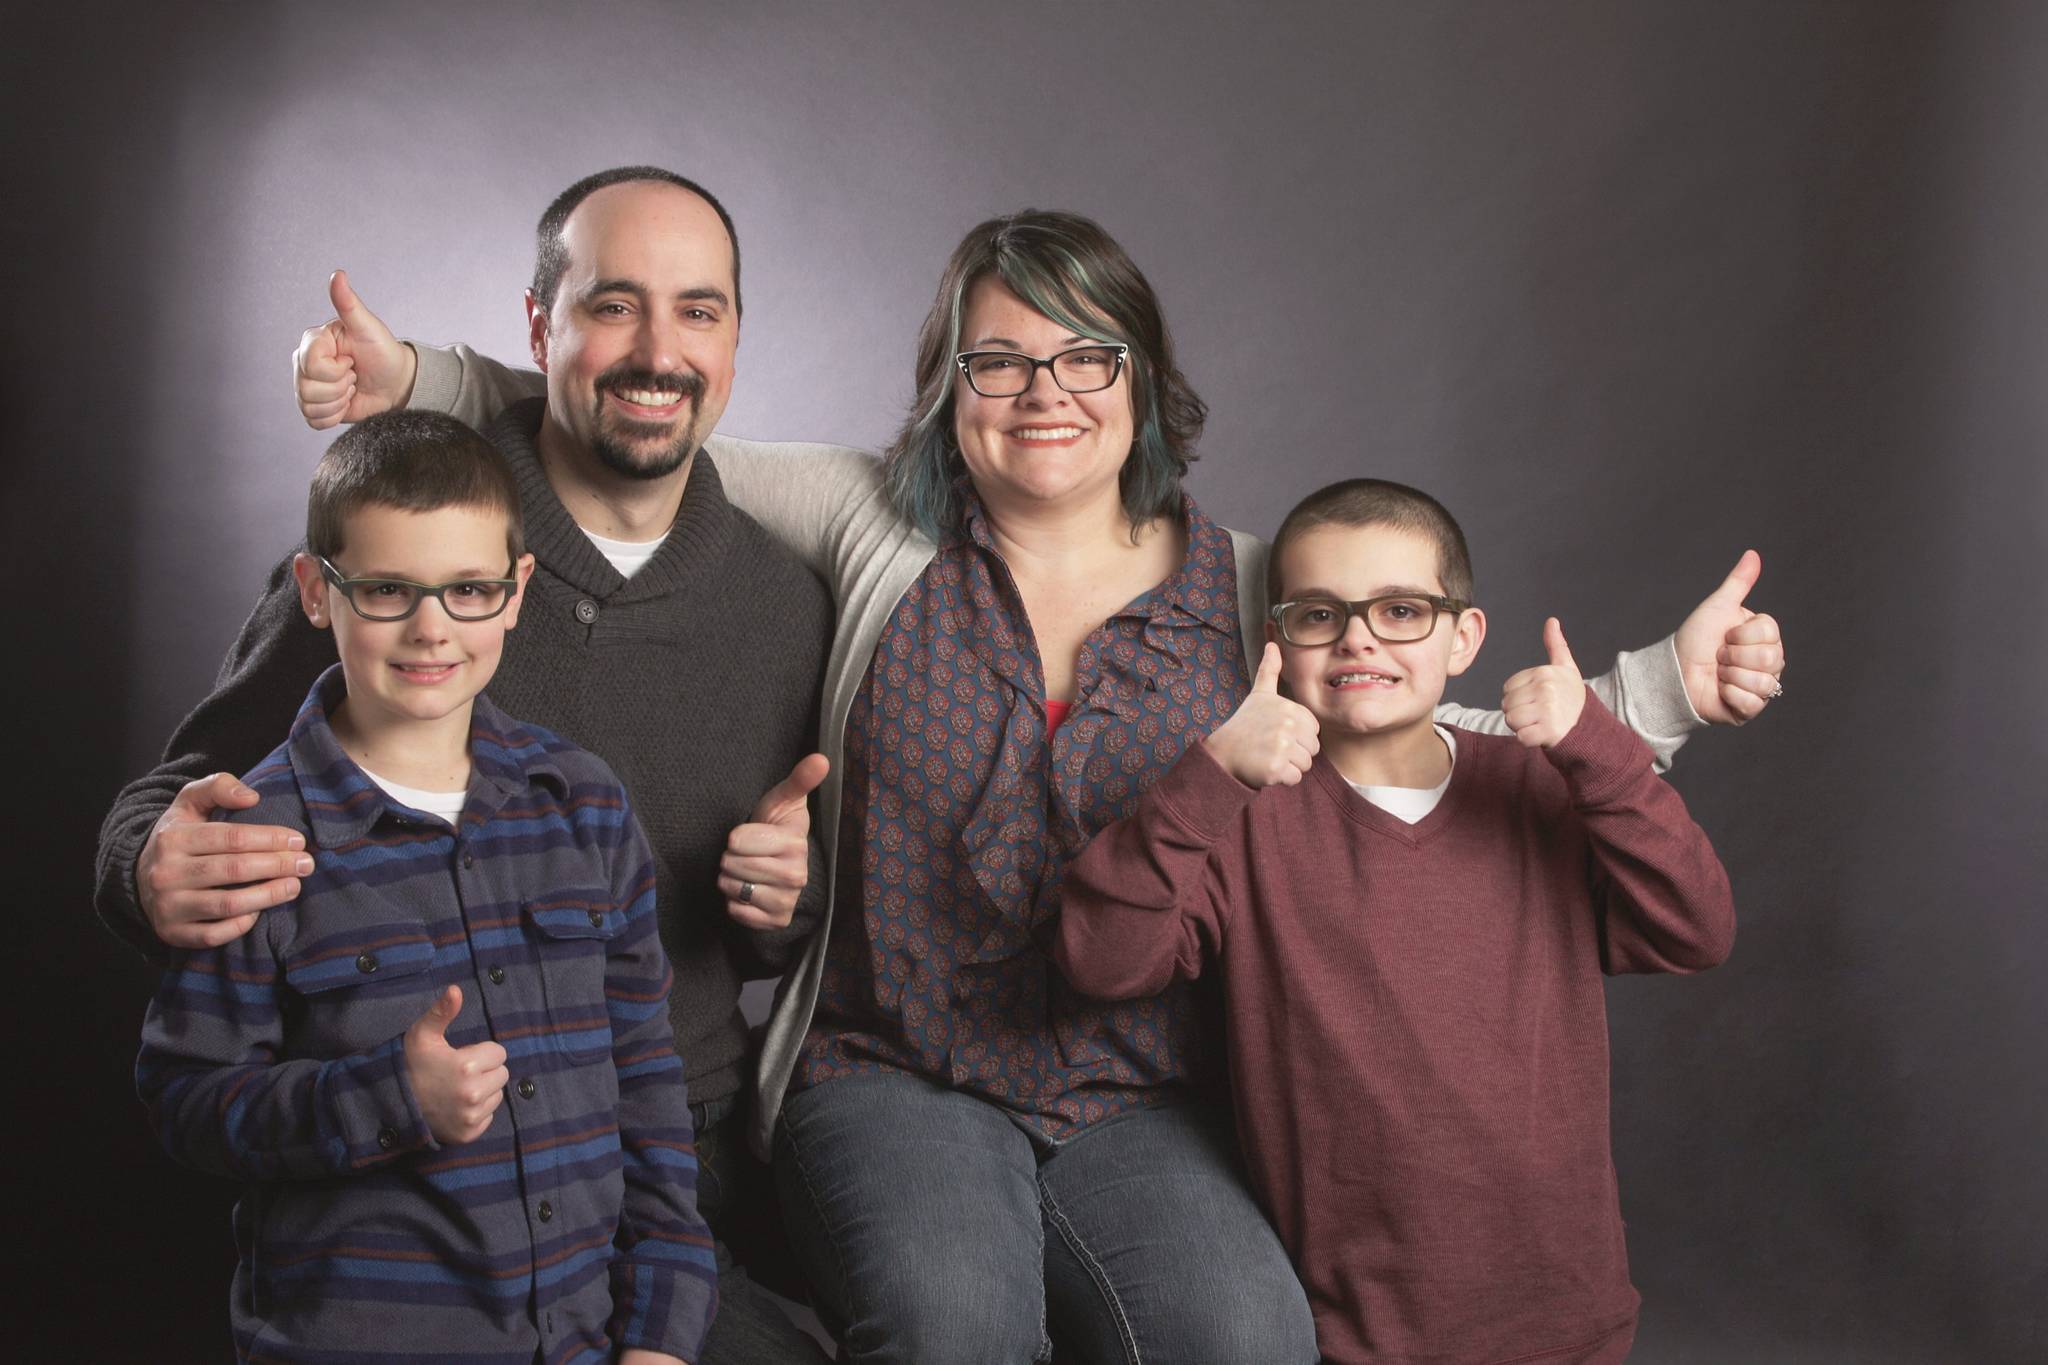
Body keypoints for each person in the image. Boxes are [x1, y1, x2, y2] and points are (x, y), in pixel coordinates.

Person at [308, 208, 1785, 1365]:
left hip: (1152, 1091)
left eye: (1088, 356)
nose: (1045, 393)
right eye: (999, 360)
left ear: (1143, 378)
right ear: (950, 389)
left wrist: (1656, 690)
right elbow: (650, 408)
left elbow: (1418, 702)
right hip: (890, 1073)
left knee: (1241, 1338)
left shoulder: (1253, 578)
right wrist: (428, 380)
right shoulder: (875, 523)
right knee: (956, 1332)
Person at [99, 168, 836, 1363]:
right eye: (612, 305)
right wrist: (146, 866)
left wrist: (779, 915)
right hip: (404, 1181)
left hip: (675, 1140)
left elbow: (757, 947)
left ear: (737, 336)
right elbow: (182, 797)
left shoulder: (785, 601)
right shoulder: (412, 532)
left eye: (697, 309)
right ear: (538, 325)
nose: (658, 349)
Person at [1057, 477, 1736, 1363]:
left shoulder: (1538, 785)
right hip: (1357, 1327)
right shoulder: (1244, 814)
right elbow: (1100, 961)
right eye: (1318, 614)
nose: (1359, 639)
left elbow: (1695, 927)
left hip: (1566, 1313)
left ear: (1464, 637)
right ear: (1277, 639)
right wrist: (1210, 777)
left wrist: (1598, 751)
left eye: (1401, 610)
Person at [137, 410, 714, 1363]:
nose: (431, 628)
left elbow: (648, 1091)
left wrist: (661, 1332)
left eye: (469, 589)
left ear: (517, 590)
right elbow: (187, 1104)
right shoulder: (251, 839)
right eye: (390, 589)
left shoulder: (584, 804)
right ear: (317, 592)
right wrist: (385, 1097)